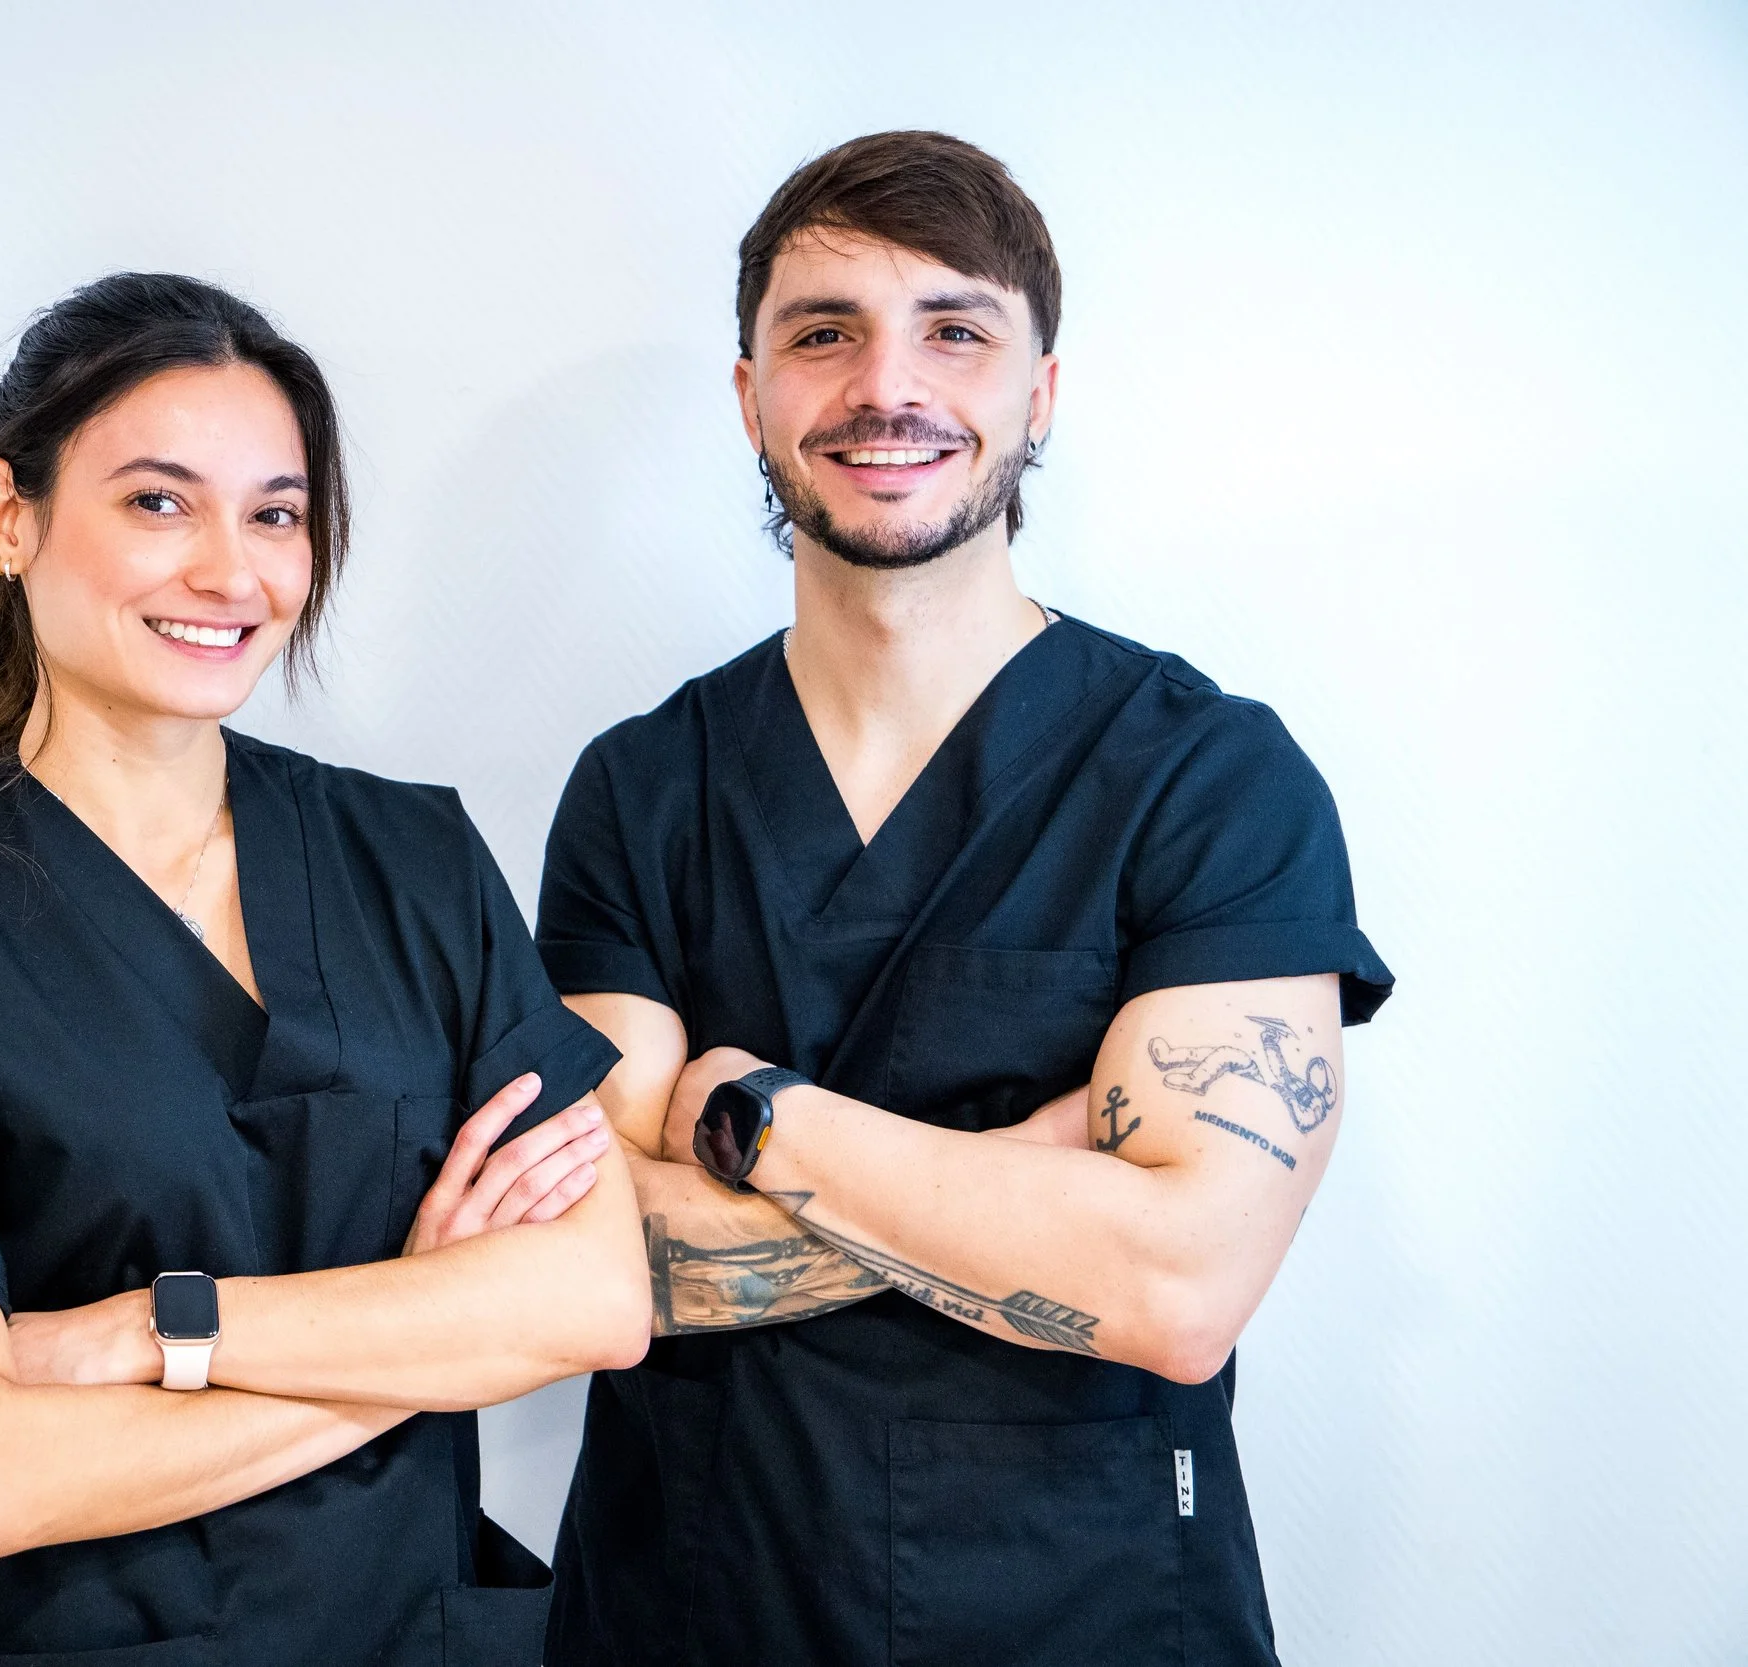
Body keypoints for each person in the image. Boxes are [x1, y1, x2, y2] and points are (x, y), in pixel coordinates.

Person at [538, 132, 1394, 1666]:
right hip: (693, 1606)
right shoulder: (641, 787)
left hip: (1090, 1609)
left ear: (1039, 392)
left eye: (955, 328)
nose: (888, 384)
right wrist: (1034, 1180)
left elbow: (1178, 1285)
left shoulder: (1206, 778)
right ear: (750, 396)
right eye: (823, 332)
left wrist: (747, 1112)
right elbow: (582, 1258)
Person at [0, 273, 651, 1667]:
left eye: (275, 513)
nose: (233, 573)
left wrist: (162, 1330)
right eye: (159, 501)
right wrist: (415, 1335)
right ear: (10, 515)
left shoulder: (414, 860)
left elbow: (595, 1298)